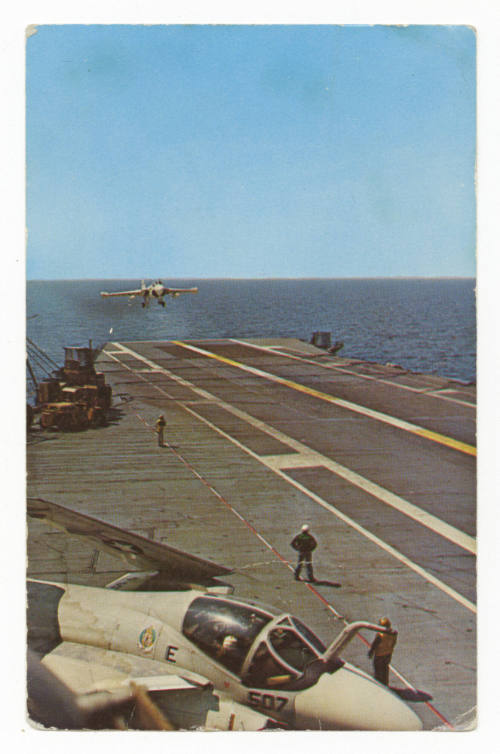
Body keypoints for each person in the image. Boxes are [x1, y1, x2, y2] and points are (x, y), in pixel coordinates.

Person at [368, 617, 398, 686]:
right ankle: (385, 683)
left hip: (379, 655)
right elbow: (394, 643)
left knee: (378, 670)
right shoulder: (393, 633)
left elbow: (374, 645)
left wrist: (371, 652)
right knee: (385, 670)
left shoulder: (380, 635)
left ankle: (378, 684)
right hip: (388, 654)